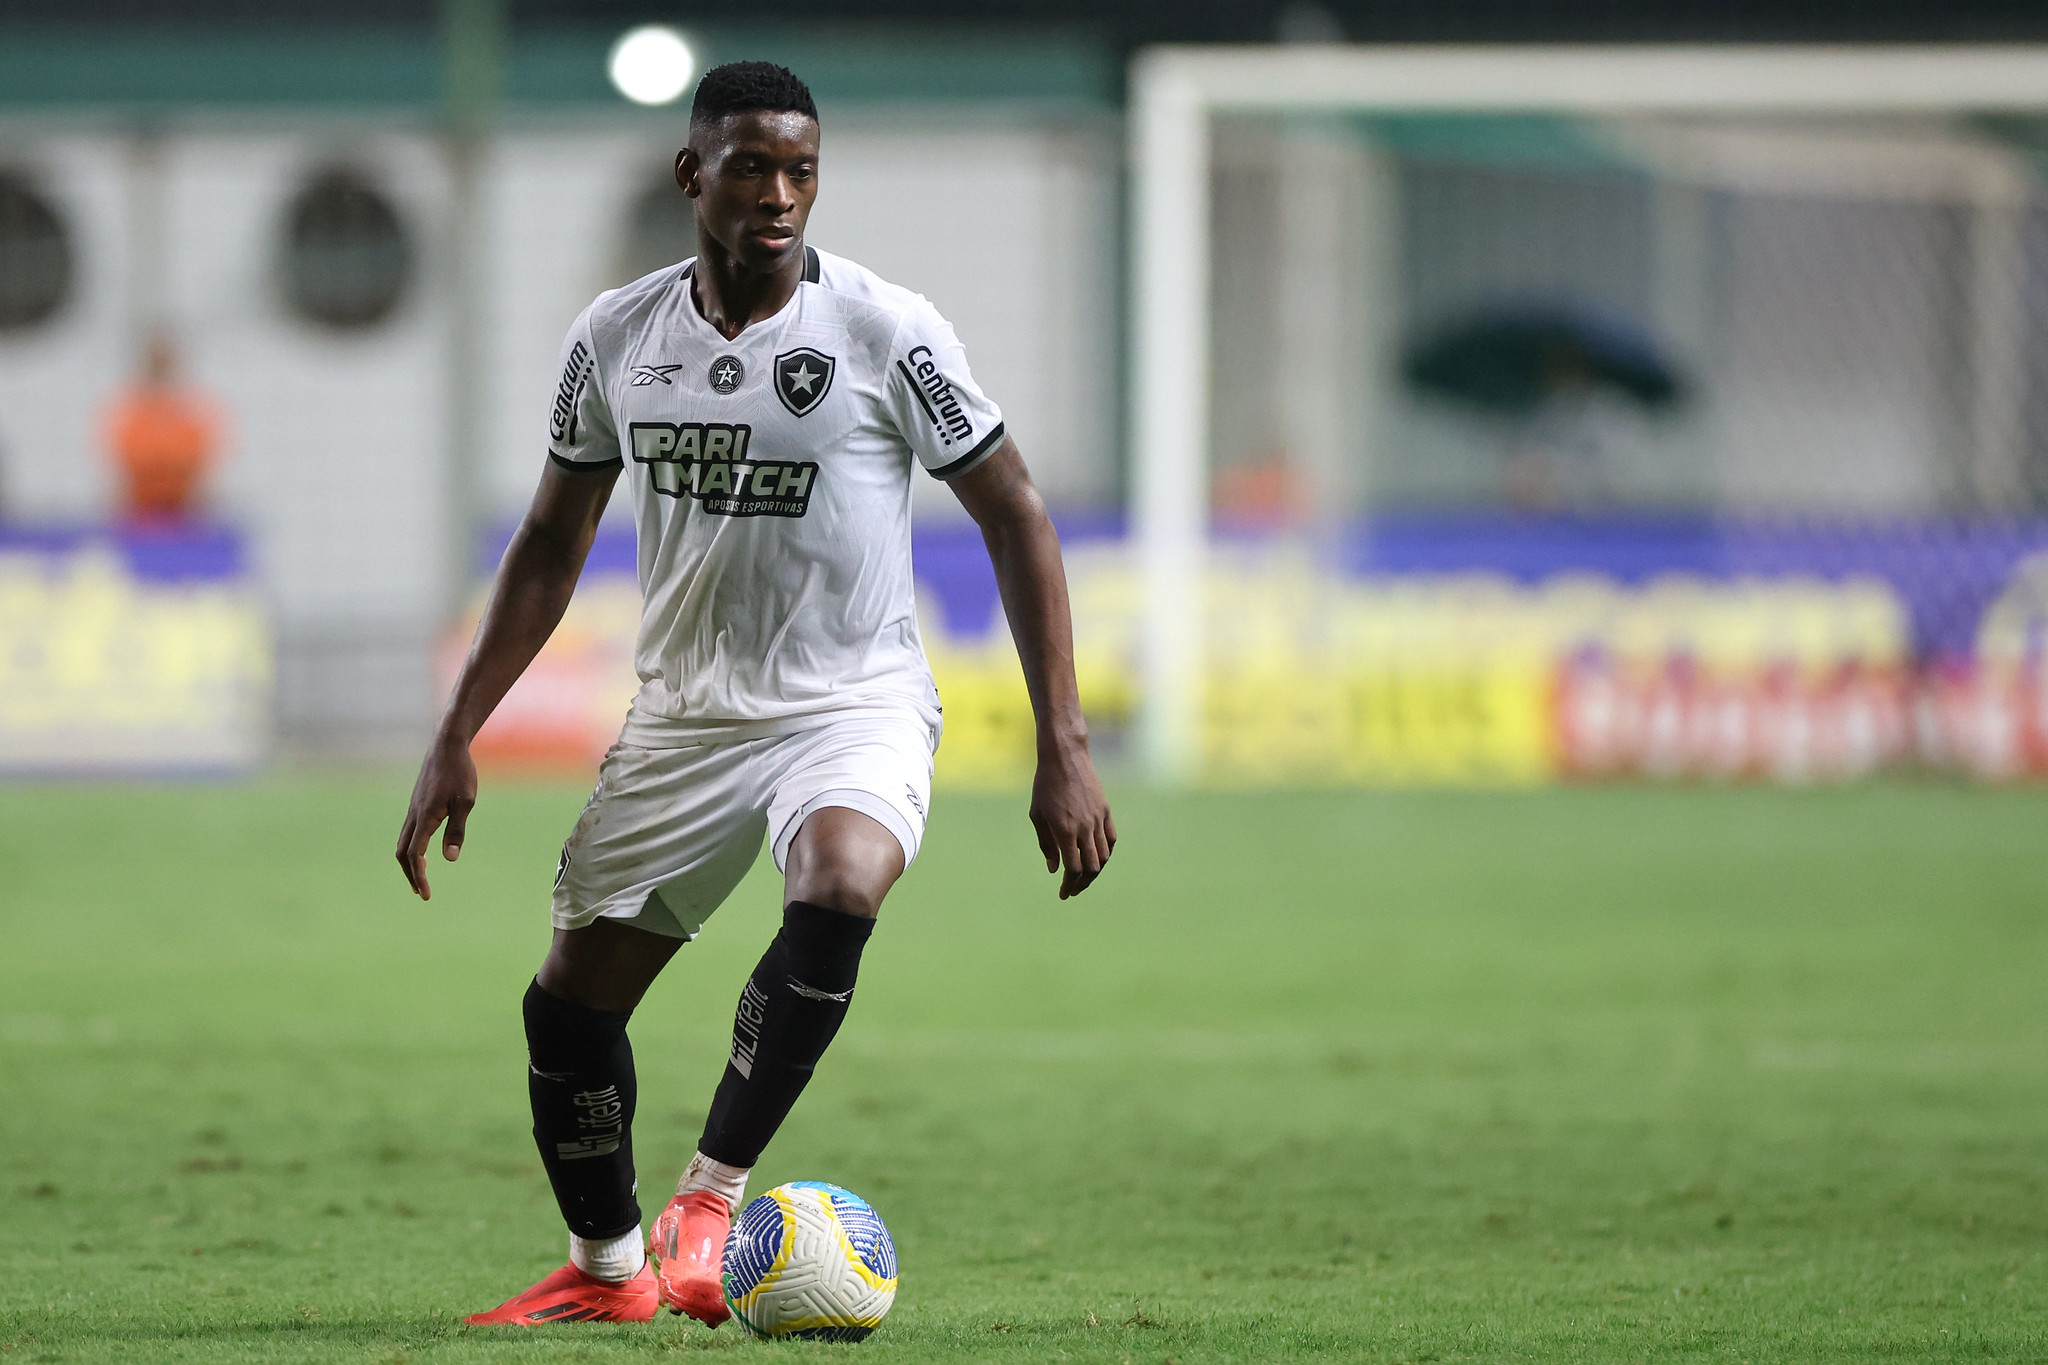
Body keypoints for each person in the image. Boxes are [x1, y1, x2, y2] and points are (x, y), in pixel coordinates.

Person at [395, 62, 1115, 1328]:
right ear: (693, 176)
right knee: (566, 1012)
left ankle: (713, 1194)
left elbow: (1017, 511)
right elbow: (552, 544)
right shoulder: (614, 338)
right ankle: (608, 1269)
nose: (779, 195)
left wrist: (1063, 740)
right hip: (685, 715)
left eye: (800, 171)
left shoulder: (887, 332)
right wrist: (459, 728)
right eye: (750, 167)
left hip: (852, 700)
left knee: (839, 882)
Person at [103, 331, 223, 524]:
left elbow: (200, 449)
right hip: (140, 507)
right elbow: (126, 451)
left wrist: (168, 462)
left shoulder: (190, 405)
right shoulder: (131, 405)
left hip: (185, 507)